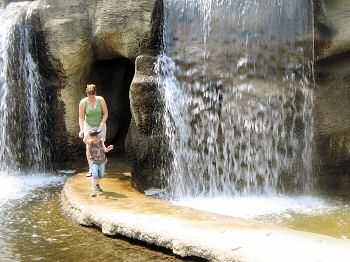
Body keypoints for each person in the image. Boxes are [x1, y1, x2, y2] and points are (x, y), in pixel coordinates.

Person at [79, 84, 108, 176]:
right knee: (89, 146)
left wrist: (102, 124)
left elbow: (106, 114)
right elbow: (81, 118)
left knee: (99, 145)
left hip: (100, 124)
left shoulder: (100, 100)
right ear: (86, 94)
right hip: (89, 126)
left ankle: (102, 162)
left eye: (92, 95)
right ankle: (91, 169)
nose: (91, 97)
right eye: (89, 95)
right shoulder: (83, 102)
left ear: (95, 93)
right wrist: (82, 130)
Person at [83, 128, 114, 197]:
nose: (99, 138)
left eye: (100, 136)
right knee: (95, 175)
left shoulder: (101, 141)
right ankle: (93, 190)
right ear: (92, 137)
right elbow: (84, 140)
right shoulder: (90, 142)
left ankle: (96, 184)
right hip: (94, 162)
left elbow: (105, 150)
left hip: (102, 162)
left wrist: (108, 149)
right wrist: (89, 133)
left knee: (101, 175)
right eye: (97, 136)